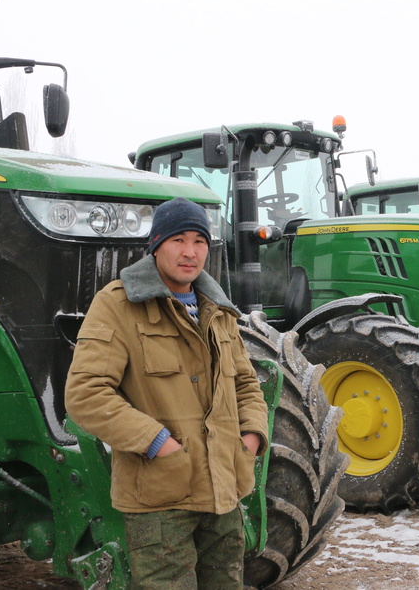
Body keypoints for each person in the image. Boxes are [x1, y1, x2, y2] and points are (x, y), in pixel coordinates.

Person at [65, 197, 268, 589]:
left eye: (200, 241)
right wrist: (158, 443)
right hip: (160, 498)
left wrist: (251, 439)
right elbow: (86, 394)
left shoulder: (219, 309)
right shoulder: (118, 304)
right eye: (178, 240)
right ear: (156, 244)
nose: (190, 252)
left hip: (224, 488)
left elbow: (245, 384)